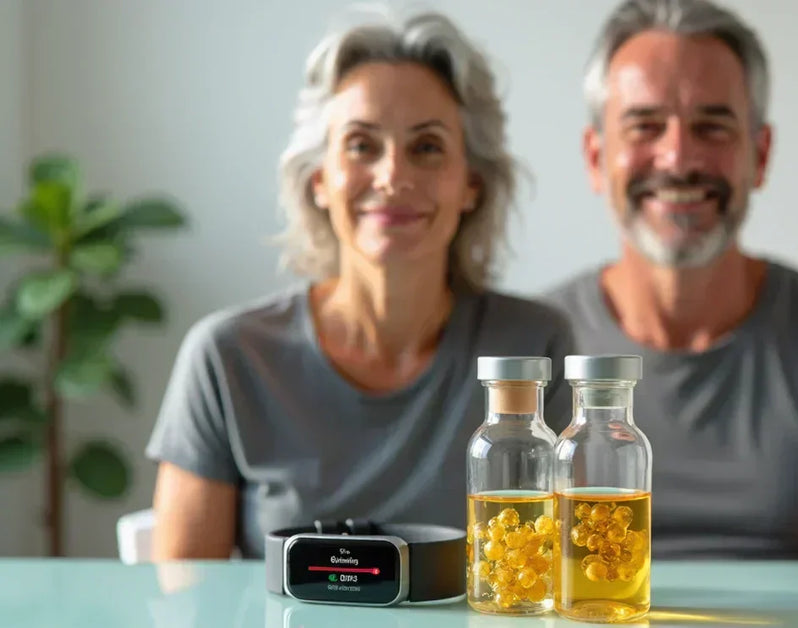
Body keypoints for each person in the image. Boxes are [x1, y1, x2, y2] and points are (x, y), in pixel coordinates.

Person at [146, 6, 573, 560]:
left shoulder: (534, 349)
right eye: (361, 144)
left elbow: (564, 576)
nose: (393, 175)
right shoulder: (227, 358)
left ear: (472, 183)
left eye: (426, 147)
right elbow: (186, 603)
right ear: (320, 180)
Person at [544, 0, 798, 561]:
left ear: (760, 155)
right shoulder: (527, 352)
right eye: (645, 125)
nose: (678, 157)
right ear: (596, 158)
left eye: (711, 127)